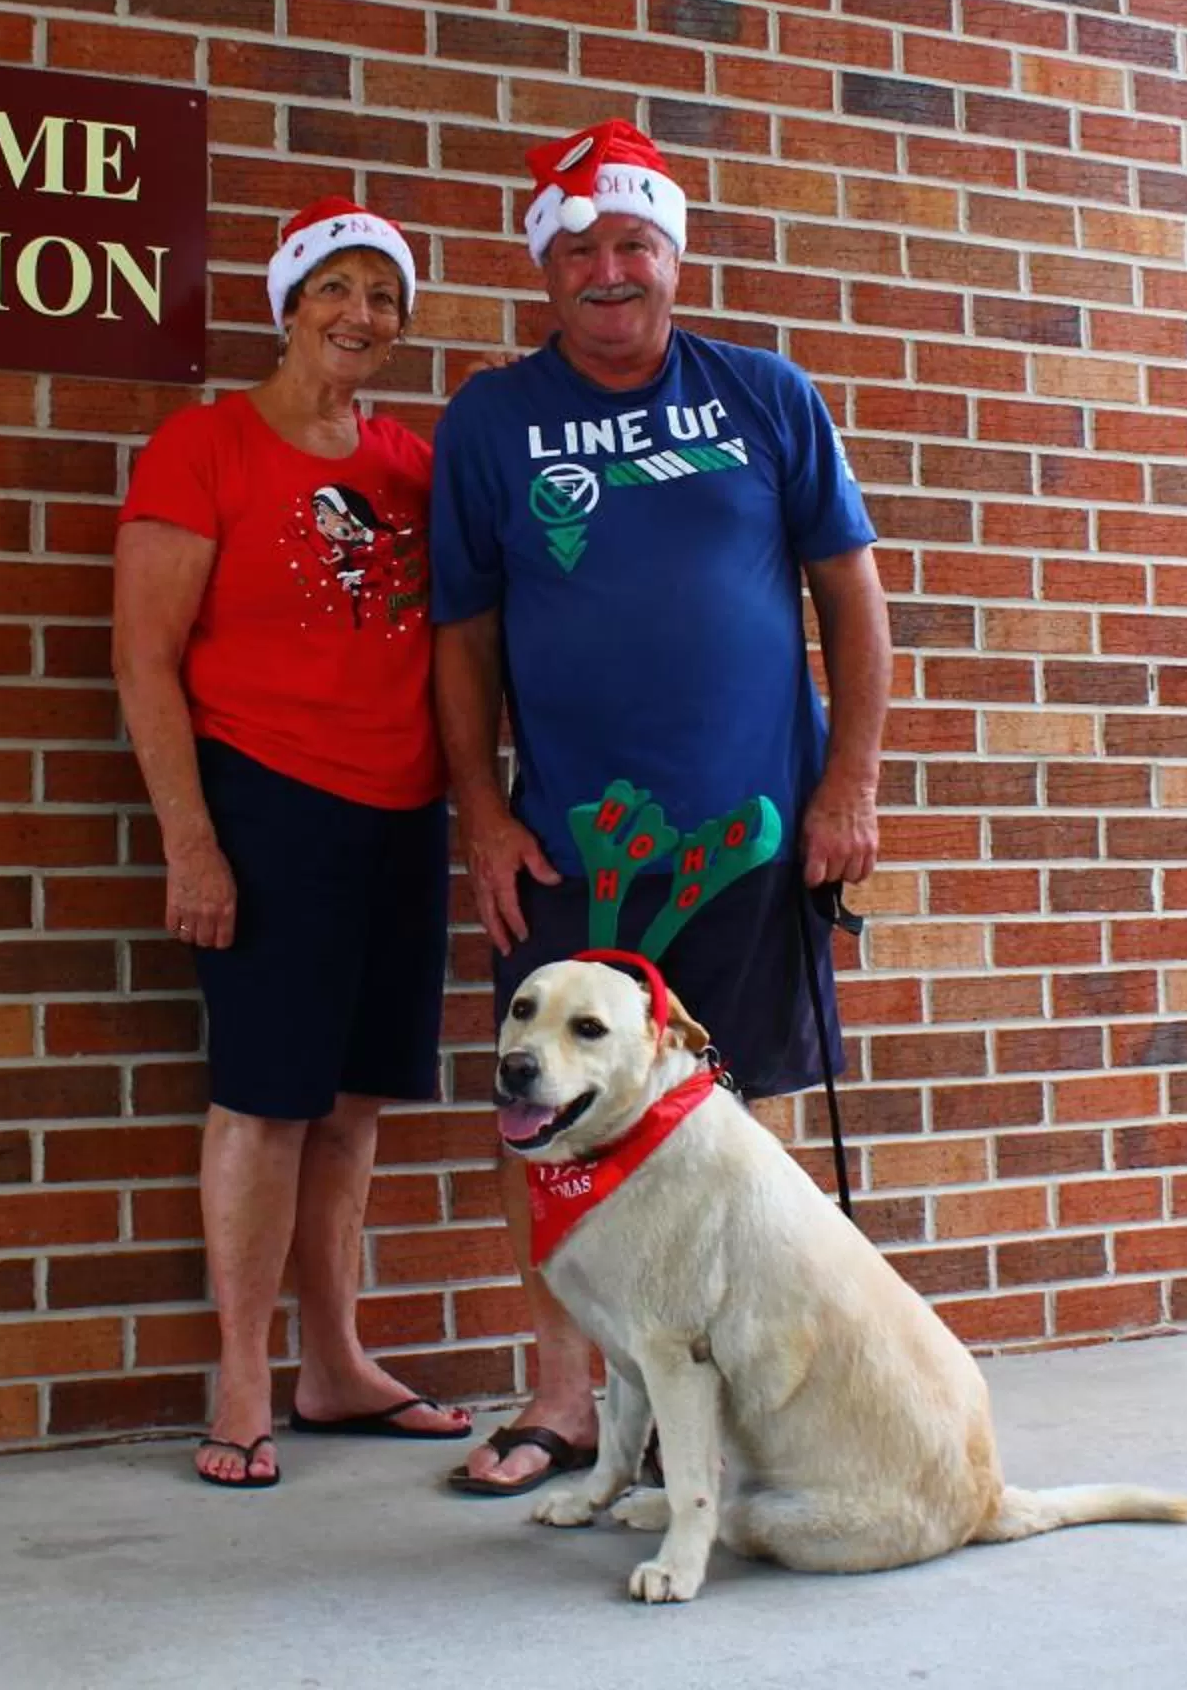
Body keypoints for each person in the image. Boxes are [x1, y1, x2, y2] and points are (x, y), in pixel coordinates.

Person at [428, 121, 893, 1495]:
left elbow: (853, 605)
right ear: (544, 274)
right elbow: (459, 637)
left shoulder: (764, 394)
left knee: (746, 1119)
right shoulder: (492, 420)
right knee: (558, 1116)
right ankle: (565, 1400)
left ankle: (768, 1392)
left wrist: (849, 782)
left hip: (755, 831)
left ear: (672, 257)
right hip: (574, 844)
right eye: (576, 250)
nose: (607, 271)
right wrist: (484, 815)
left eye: (631, 243)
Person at [112, 197, 476, 1490]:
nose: (360, 315)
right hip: (268, 803)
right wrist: (192, 846)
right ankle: (244, 1381)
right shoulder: (204, 446)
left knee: (354, 1109)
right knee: (265, 1105)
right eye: (336, 288)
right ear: (288, 303)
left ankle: (335, 1361)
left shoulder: (412, 467)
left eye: (384, 295)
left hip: (400, 813)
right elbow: (145, 663)